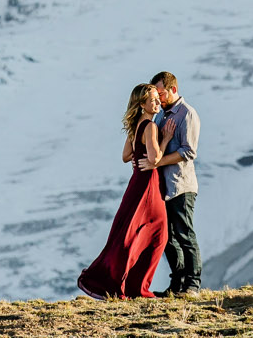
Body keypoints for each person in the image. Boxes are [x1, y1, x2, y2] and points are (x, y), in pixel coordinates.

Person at [77, 83, 169, 299]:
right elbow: (155, 158)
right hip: (148, 185)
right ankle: (137, 287)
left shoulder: (137, 124)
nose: (157, 102)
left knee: (129, 233)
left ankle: (127, 283)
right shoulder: (150, 127)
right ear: (142, 104)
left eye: (158, 98)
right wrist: (164, 140)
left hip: (136, 182)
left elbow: (126, 155)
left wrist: (140, 158)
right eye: (153, 99)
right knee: (158, 234)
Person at [140, 70, 201, 296]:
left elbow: (189, 151)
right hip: (164, 187)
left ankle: (193, 284)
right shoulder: (161, 115)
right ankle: (177, 284)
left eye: (162, 93)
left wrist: (157, 163)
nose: (159, 98)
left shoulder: (187, 114)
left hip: (181, 185)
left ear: (173, 89)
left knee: (185, 234)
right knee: (167, 238)